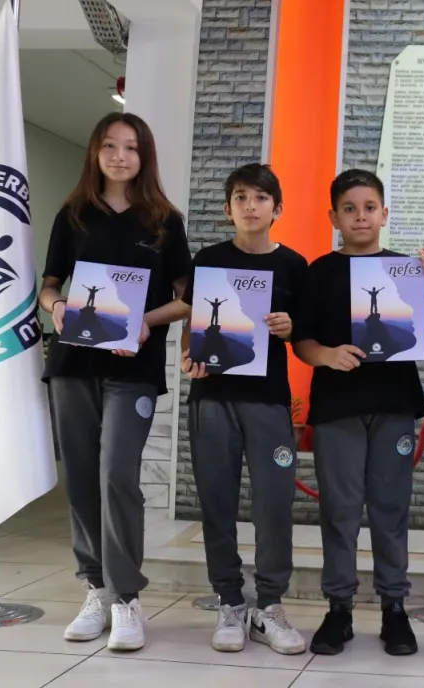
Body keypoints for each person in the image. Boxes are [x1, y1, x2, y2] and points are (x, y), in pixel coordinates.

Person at [39, 112, 192, 652]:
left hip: (133, 368)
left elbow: (188, 298)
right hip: (74, 366)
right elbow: (48, 284)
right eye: (110, 145)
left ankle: (126, 597)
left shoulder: (164, 221)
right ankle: (96, 589)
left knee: (117, 475)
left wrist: (145, 321)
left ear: (144, 156)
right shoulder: (73, 215)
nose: (120, 156)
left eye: (130, 147)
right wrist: (57, 307)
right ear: (96, 152)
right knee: (82, 477)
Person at [291, 168, 424, 657]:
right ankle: (339, 608)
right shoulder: (319, 271)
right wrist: (326, 355)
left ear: (384, 214)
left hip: (394, 404)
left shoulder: (403, 269)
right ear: (333, 217)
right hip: (338, 406)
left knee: (390, 509)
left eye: (369, 208)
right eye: (350, 209)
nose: (360, 216)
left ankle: (394, 607)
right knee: (339, 510)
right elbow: (302, 339)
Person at [173, 163, 308, 655]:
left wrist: (290, 328)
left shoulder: (293, 265)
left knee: (274, 503)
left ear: (278, 208)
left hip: (268, 400)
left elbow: (304, 334)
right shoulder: (208, 260)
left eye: (261, 198)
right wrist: (188, 354)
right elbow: (192, 321)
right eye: (241, 198)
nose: (251, 206)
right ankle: (229, 601)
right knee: (217, 502)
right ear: (228, 209)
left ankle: (269, 604)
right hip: (213, 398)